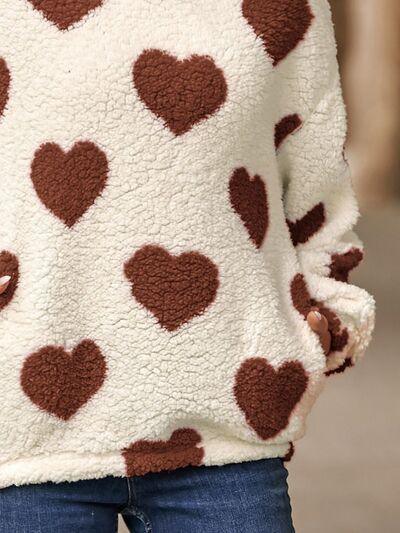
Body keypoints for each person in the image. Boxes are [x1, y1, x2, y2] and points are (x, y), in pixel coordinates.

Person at [0, 1, 374, 531]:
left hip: (225, 416)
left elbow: (317, 184)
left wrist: (328, 315)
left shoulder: (284, 9)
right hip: (27, 418)